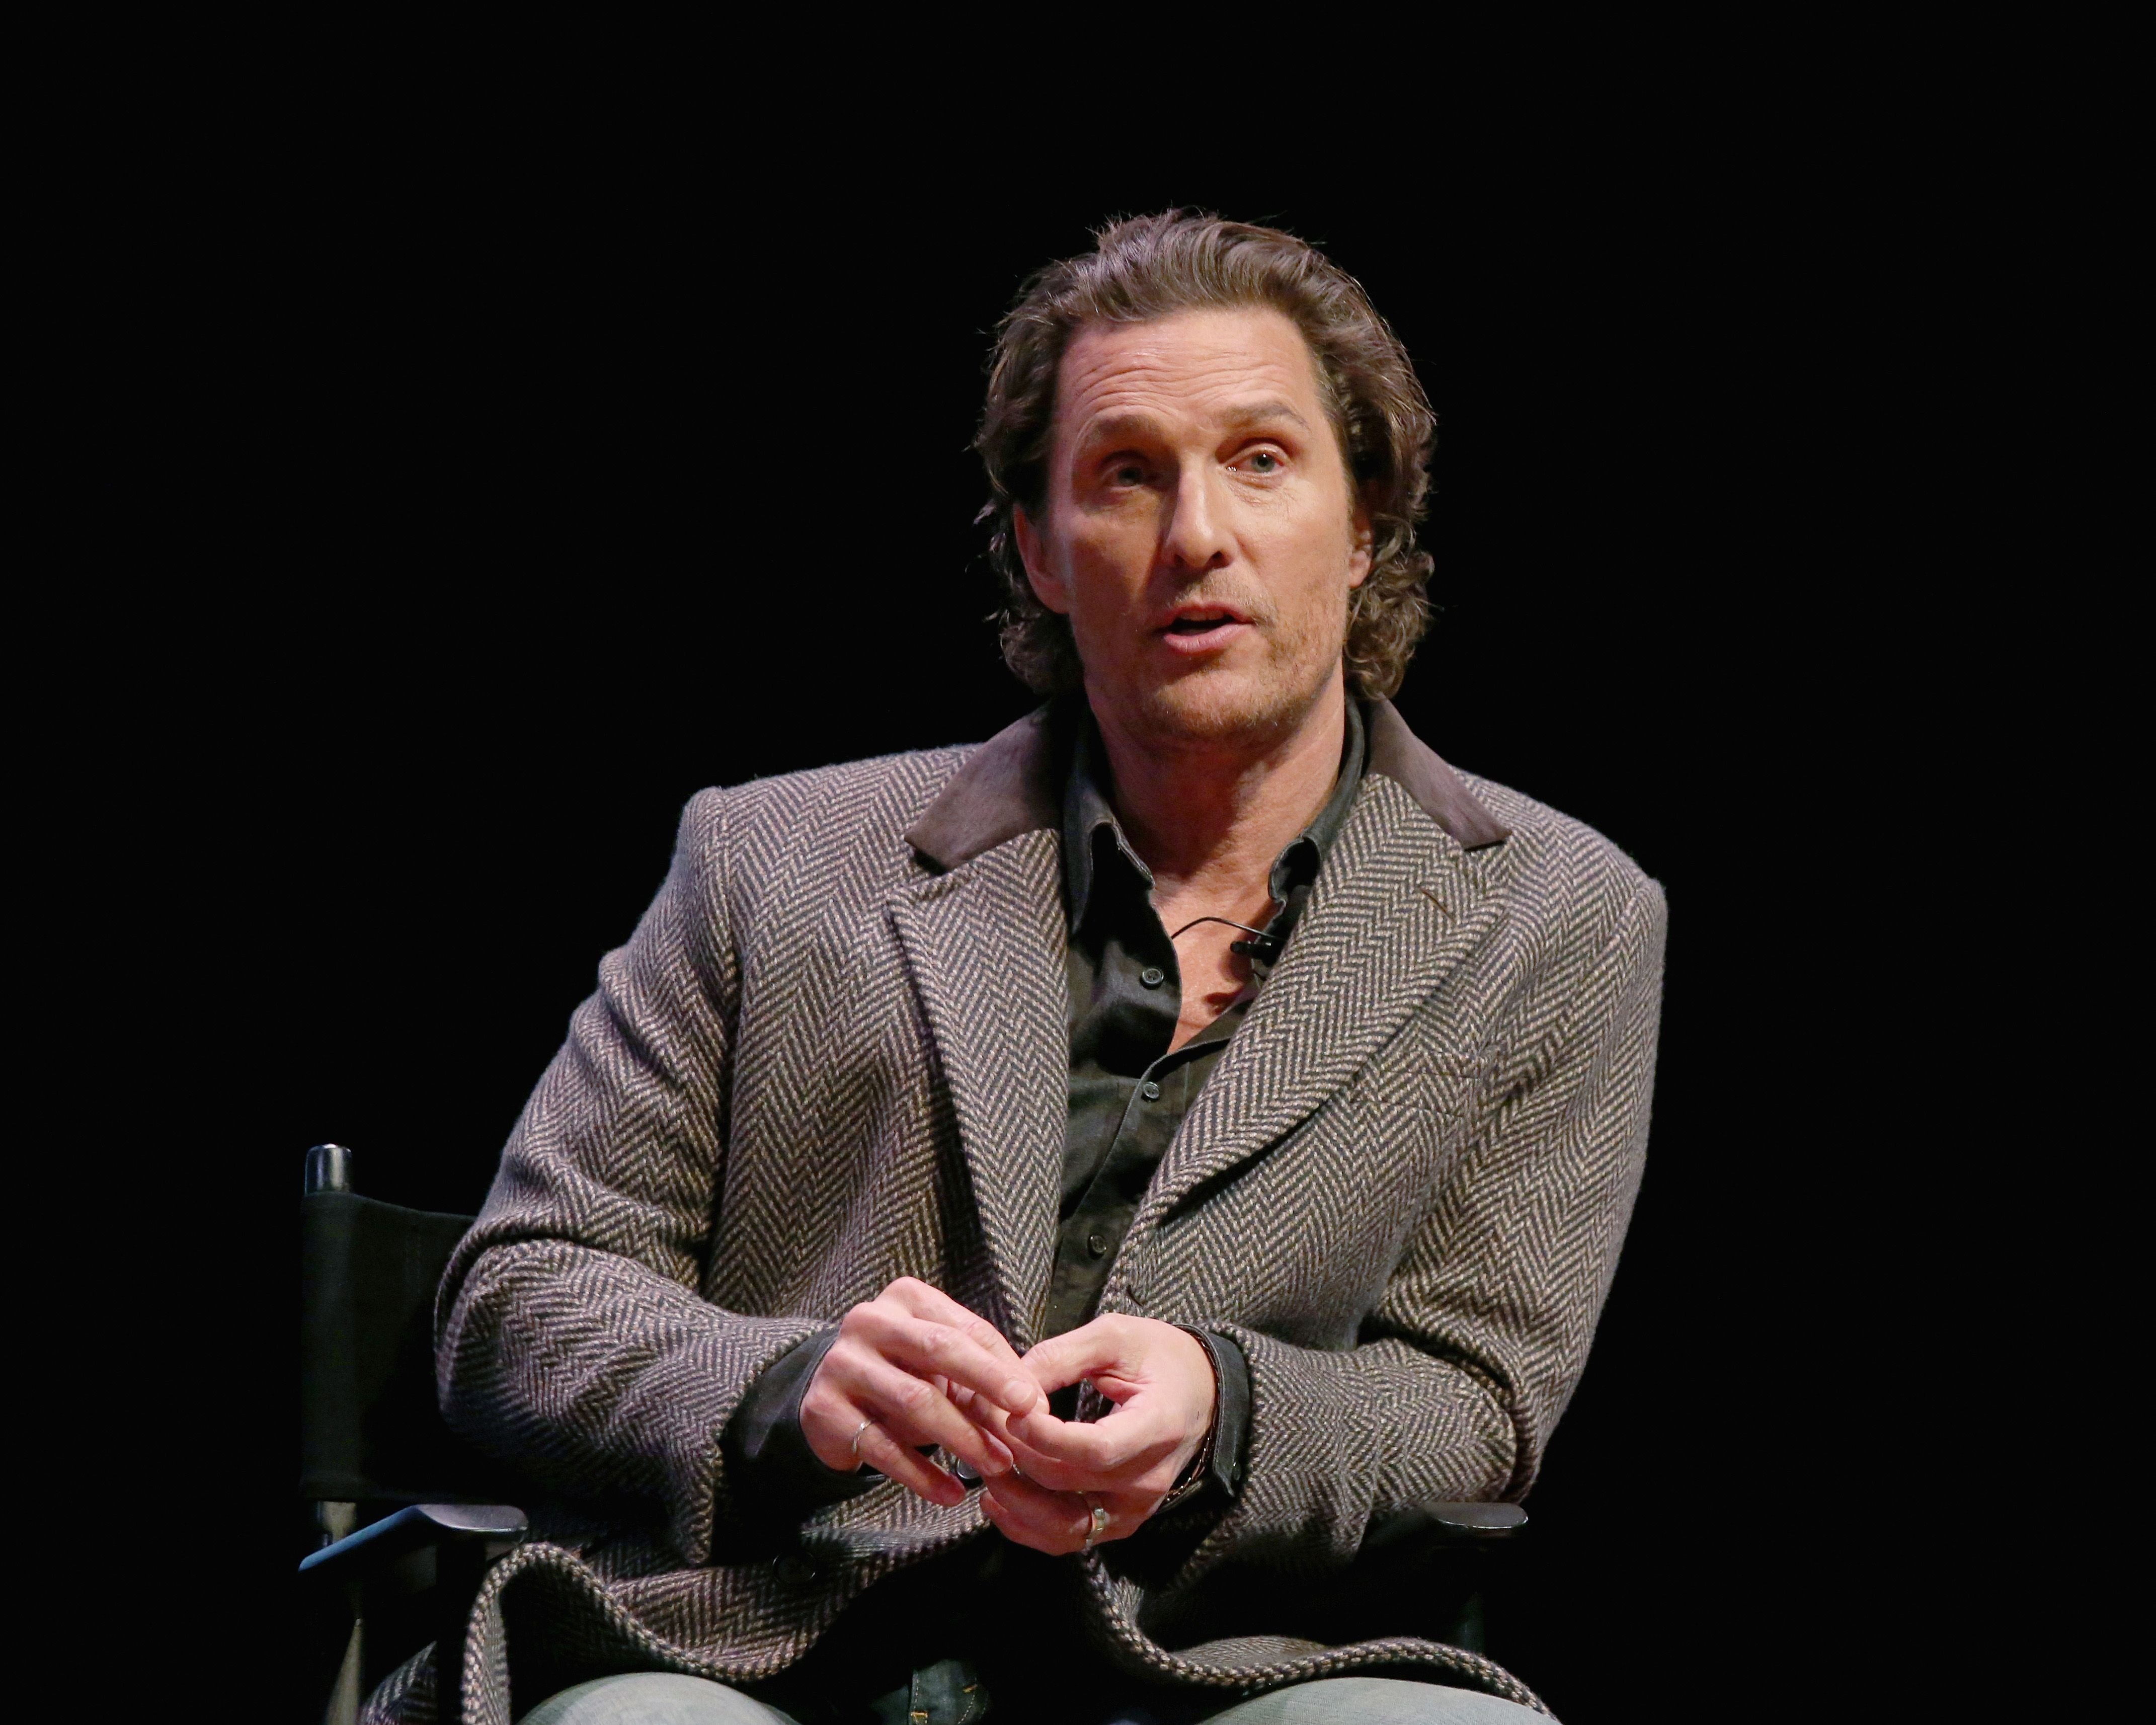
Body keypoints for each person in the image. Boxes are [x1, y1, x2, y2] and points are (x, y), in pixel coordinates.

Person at [388, 213, 1667, 1725]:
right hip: (769, 1645)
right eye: (1128, 471)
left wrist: (1226, 1409)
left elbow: (1475, 1396)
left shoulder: (1556, 912)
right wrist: (787, 1385)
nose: (1199, 532)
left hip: (1224, 1666)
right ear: (1044, 551)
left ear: (1367, 520)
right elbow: (519, 1296)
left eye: (1263, 458)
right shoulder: (772, 858)